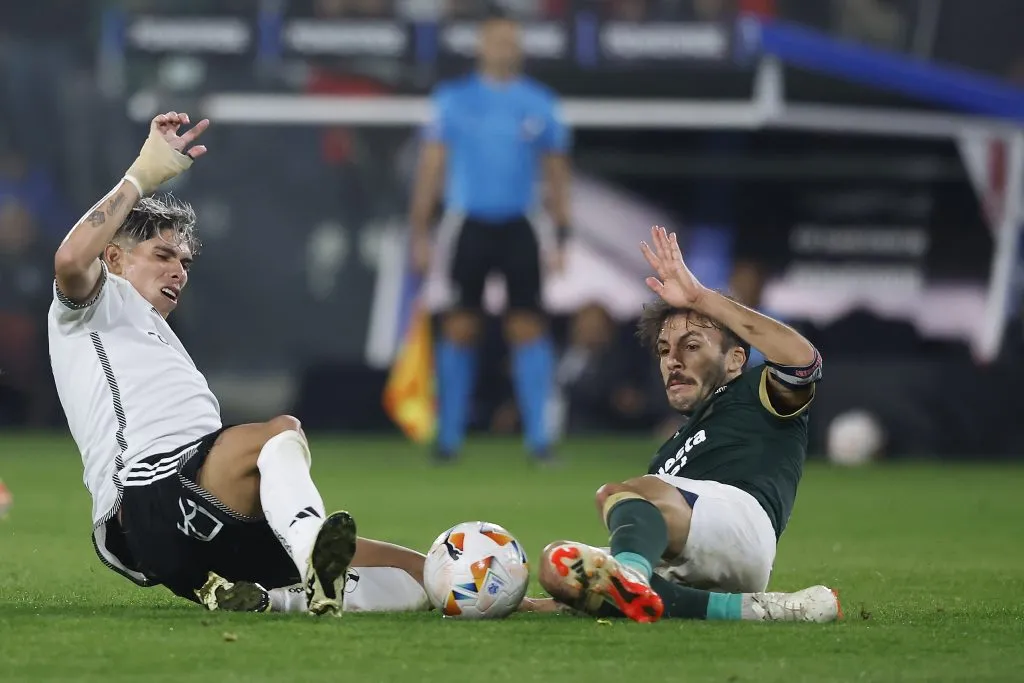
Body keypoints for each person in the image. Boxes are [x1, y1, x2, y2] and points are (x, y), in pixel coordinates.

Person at [48, 112, 428, 616]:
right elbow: (71, 261)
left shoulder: (155, 337)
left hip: (199, 515)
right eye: (163, 255)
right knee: (278, 433)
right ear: (115, 258)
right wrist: (140, 175)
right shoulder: (96, 304)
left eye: (185, 263)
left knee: (413, 575)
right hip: (147, 500)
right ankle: (313, 548)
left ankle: (268, 600)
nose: (178, 271)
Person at [534, 226, 841, 623]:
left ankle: (630, 572)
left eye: (691, 346)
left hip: (743, 525)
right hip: (693, 556)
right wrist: (530, 604)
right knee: (560, 564)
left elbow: (804, 362)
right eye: (664, 350)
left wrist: (702, 299)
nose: (672, 360)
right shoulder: (667, 453)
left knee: (620, 493)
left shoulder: (757, 391)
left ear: (735, 359)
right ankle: (750, 610)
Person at [408, 10, 572, 464]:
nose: (504, 48)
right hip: (469, 224)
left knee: (528, 326)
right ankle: (448, 440)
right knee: (460, 327)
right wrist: (420, 231)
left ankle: (540, 440)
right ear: (481, 45)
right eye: (496, 40)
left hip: (520, 224)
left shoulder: (539, 102)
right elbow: (431, 168)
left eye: (511, 41)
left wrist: (562, 235)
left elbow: (557, 173)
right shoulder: (454, 100)